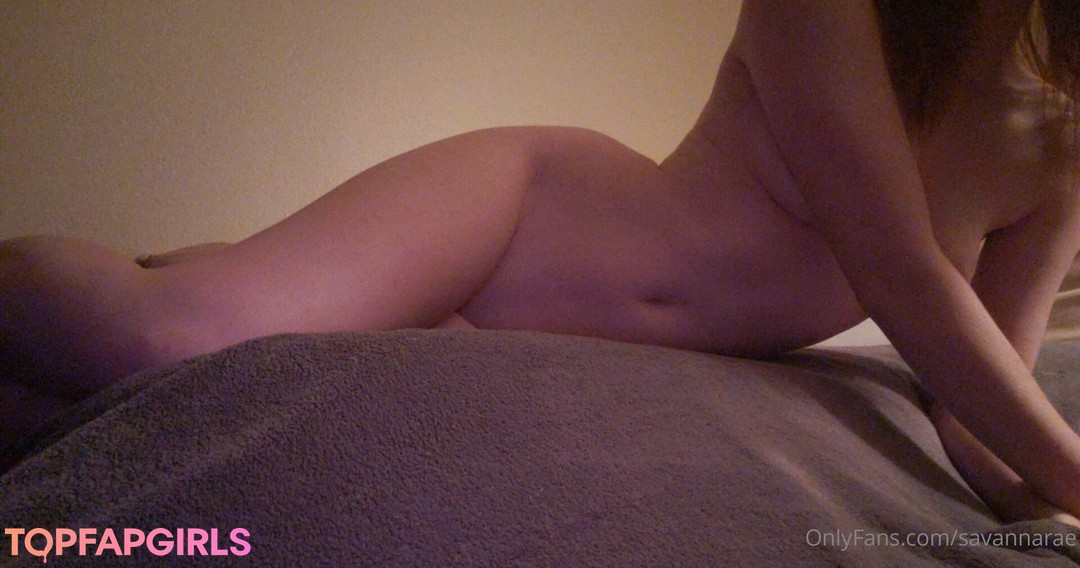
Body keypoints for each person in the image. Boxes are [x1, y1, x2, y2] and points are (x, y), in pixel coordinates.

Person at [2, 0, 1079, 527]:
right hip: (525, 217)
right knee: (161, 336)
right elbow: (898, 270)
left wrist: (1036, 518)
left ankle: (216, 270)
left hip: (512, 332)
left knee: (52, 404)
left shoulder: (1065, 151)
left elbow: (977, 405)